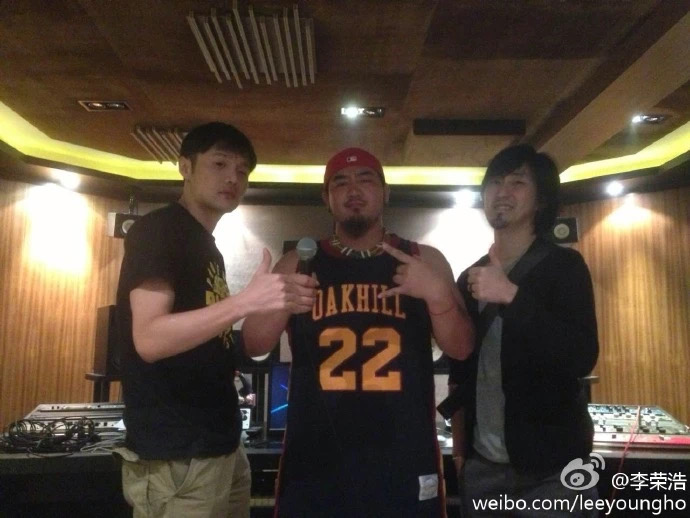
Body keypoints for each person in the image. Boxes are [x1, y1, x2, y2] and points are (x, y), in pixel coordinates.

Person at [242, 147, 474, 517]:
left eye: (365, 179)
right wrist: (281, 301)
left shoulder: (423, 259)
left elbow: (462, 349)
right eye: (341, 182)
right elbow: (254, 344)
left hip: (403, 459)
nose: (353, 190)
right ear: (326, 197)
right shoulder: (299, 262)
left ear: (385, 192)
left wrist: (438, 296)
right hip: (315, 461)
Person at [114, 122, 317, 518]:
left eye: (242, 170)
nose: (232, 178)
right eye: (219, 164)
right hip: (177, 457)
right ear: (185, 167)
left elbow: (212, 341)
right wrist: (244, 302)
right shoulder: (158, 230)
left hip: (220, 446)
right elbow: (150, 339)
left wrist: (270, 308)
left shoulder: (206, 246)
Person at [446, 144, 599, 516]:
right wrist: (462, 453)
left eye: (517, 182)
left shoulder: (564, 266)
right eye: (495, 182)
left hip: (554, 471)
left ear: (541, 200)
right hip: (482, 469)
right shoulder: (470, 277)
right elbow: (461, 372)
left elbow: (581, 357)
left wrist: (512, 296)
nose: (502, 191)